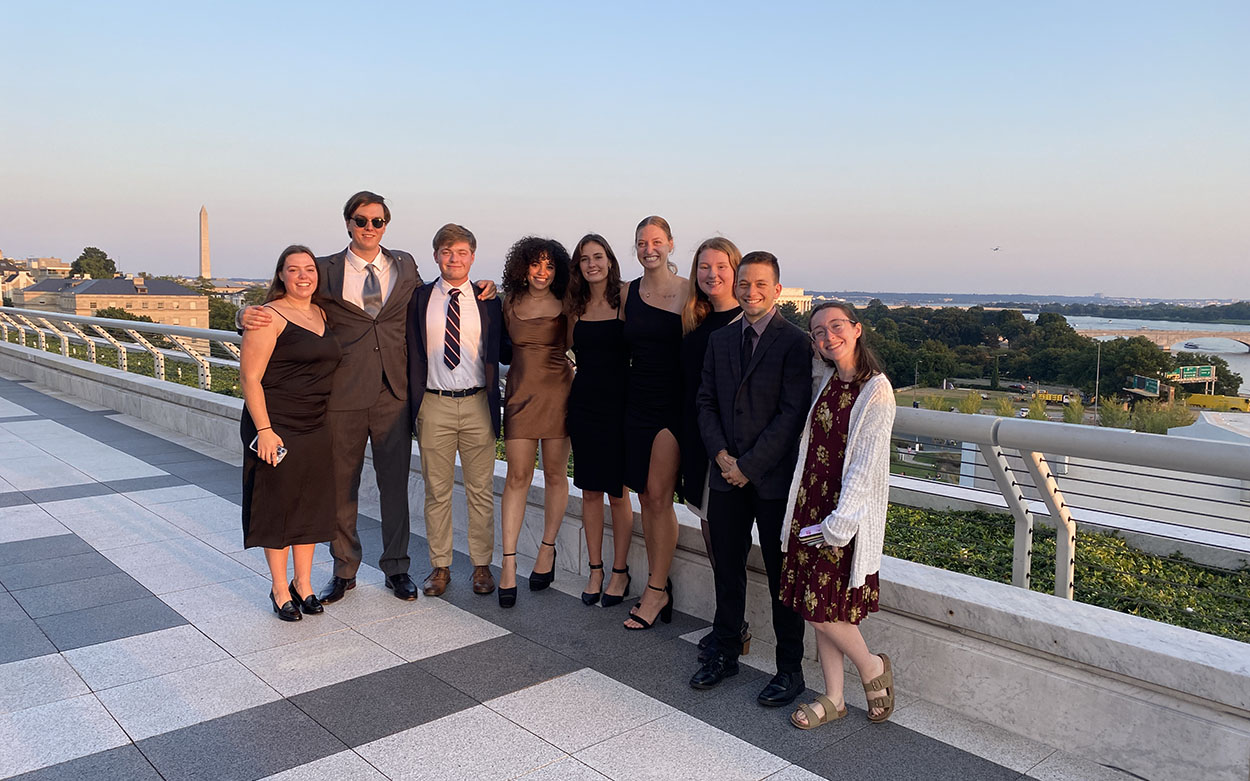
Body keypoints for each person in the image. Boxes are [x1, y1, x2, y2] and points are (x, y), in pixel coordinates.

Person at [239, 191, 495, 605]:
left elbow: (443, 290)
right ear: (347, 224)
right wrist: (242, 316)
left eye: (377, 222)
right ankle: (344, 571)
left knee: (395, 486)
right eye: (361, 221)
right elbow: (289, 302)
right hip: (342, 393)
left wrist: (486, 284)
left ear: (386, 226)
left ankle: (397, 568)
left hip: (394, 392)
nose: (369, 228)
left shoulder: (405, 263)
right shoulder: (324, 269)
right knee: (342, 488)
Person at [690, 251, 813, 711]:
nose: (751, 291)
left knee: (784, 577)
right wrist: (722, 455)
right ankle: (724, 652)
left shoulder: (795, 343)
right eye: (744, 283)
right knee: (727, 567)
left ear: (777, 290)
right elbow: (705, 401)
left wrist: (748, 465)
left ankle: (789, 670)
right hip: (725, 476)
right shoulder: (720, 341)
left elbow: (790, 415)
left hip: (772, 481)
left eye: (761, 284)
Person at [781, 302, 896, 729]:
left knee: (823, 609)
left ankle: (870, 667)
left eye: (836, 327)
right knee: (817, 604)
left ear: (857, 329)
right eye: (818, 332)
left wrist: (839, 526)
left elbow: (866, 467)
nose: (828, 336)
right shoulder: (825, 377)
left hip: (840, 518)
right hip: (809, 505)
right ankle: (833, 696)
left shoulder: (877, 391)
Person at [406, 224, 510, 599]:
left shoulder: (488, 300)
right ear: (436, 255)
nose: (454, 259)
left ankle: (482, 566)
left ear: (473, 256)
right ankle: (440, 566)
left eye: (462, 252)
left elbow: (507, 348)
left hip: (478, 403)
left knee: (481, 490)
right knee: (437, 491)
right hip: (433, 404)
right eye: (447, 252)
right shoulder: (418, 299)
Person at [239, 245, 342, 621]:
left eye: (309, 269)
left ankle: (304, 583)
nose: (303, 276)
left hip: (315, 422)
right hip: (276, 425)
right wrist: (264, 430)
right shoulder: (268, 316)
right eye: (294, 269)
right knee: (279, 505)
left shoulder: (321, 312)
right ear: (281, 275)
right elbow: (250, 378)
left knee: (310, 504)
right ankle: (279, 588)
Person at [496, 237, 574, 608]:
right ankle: (508, 563)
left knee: (557, 474)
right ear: (522, 267)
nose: (542, 272)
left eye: (550, 266)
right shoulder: (507, 302)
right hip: (519, 396)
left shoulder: (568, 305)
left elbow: (583, 345)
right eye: (535, 264)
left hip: (559, 394)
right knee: (517, 477)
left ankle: (547, 549)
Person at [678, 237, 746, 659]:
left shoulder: (746, 322)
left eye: (720, 266)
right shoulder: (696, 323)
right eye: (704, 266)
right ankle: (730, 621)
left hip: (732, 452)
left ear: (735, 271)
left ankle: (733, 625)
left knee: (726, 537)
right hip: (698, 443)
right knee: (708, 529)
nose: (712, 274)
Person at [621, 215, 688, 630]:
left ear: (670, 245)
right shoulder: (627, 291)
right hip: (635, 401)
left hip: (673, 404)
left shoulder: (688, 292)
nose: (649, 248)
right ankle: (658, 583)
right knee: (644, 496)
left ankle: (657, 589)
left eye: (657, 241)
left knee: (660, 495)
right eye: (642, 242)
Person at [565, 234, 632, 607]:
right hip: (585, 404)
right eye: (585, 258)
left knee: (619, 493)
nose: (592, 264)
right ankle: (595, 569)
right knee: (590, 491)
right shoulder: (574, 305)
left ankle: (620, 571)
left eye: (598, 256)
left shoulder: (625, 299)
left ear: (609, 260)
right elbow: (558, 349)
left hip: (621, 404)